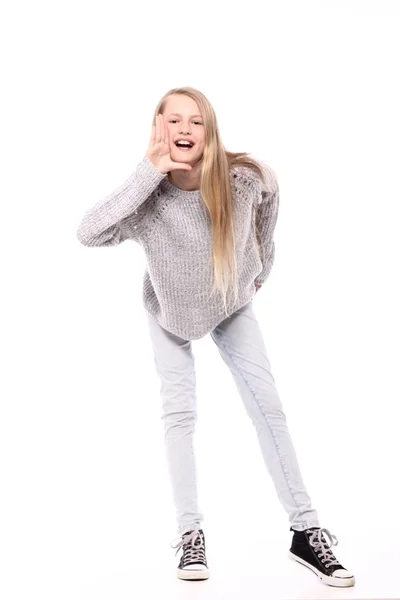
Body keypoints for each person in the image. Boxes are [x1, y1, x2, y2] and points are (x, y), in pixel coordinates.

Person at [76, 86, 355, 587]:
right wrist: (147, 170)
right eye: (173, 121)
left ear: (210, 129)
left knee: (267, 407)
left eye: (196, 121)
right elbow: (89, 232)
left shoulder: (243, 178)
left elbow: (270, 202)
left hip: (230, 301)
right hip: (170, 312)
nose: (185, 130)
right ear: (158, 129)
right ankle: (190, 535)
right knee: (179, 414)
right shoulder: (148, 197)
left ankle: (306, 530)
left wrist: (261, 265)